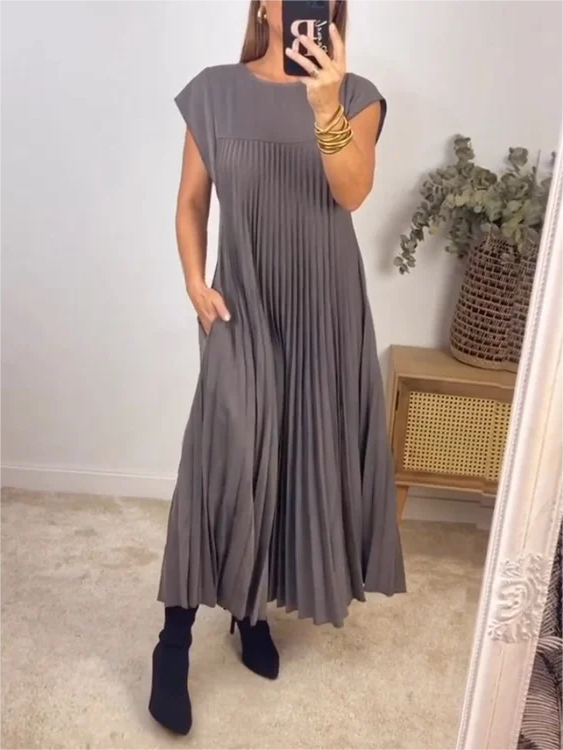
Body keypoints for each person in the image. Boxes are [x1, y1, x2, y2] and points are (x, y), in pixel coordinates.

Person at [149, 0, 406, 735]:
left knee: (293, 458)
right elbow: (191, 201)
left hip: (324, 312)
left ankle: (250, 613)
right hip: (244, 301)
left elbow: (350, 191)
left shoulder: (357, 96)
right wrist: (193, 282)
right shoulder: (213, 91)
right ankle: (172, 642)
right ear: (264, 5)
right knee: (221, 457)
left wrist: (325, 105)